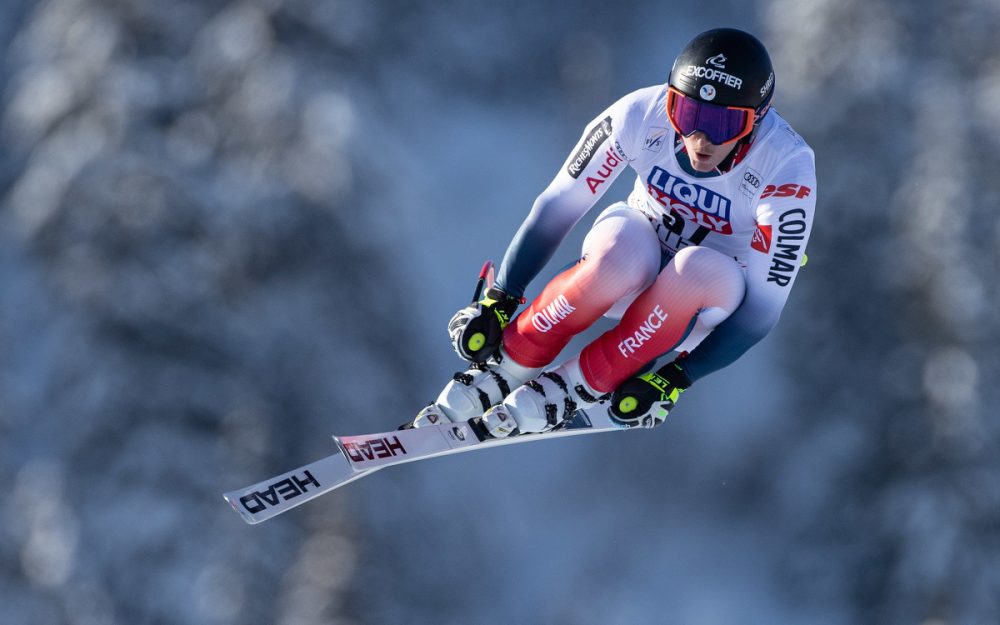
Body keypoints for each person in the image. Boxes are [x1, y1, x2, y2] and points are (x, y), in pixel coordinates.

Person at [409, 27, 816, 438]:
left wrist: (675, 378)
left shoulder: (785, 167)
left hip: (699, 306)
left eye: (722, 123)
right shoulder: (641, 113)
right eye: (688, 114)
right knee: (619, 255)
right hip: (631, 266)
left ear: (756, 120)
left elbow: (761, 311)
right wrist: (502, 298)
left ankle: (571, 389)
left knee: (697, 268)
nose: (699, 138)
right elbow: (558, 206)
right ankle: (507, 367)